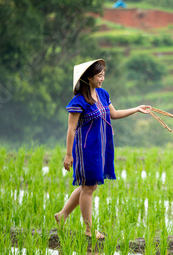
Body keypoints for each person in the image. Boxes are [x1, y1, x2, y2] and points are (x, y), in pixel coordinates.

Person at [54, 59, 150, 239]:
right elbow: (71, 129)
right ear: (88, 77)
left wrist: (137, 109)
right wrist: (68, 155)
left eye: (103, 74)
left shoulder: (103, 94)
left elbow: (113, 114)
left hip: (100, 148)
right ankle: (89, 230)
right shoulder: (79, 101)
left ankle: (62, 215)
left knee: (89, 186)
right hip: (86, 150)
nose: (102, 78)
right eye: (99, 75)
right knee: (88, 187)